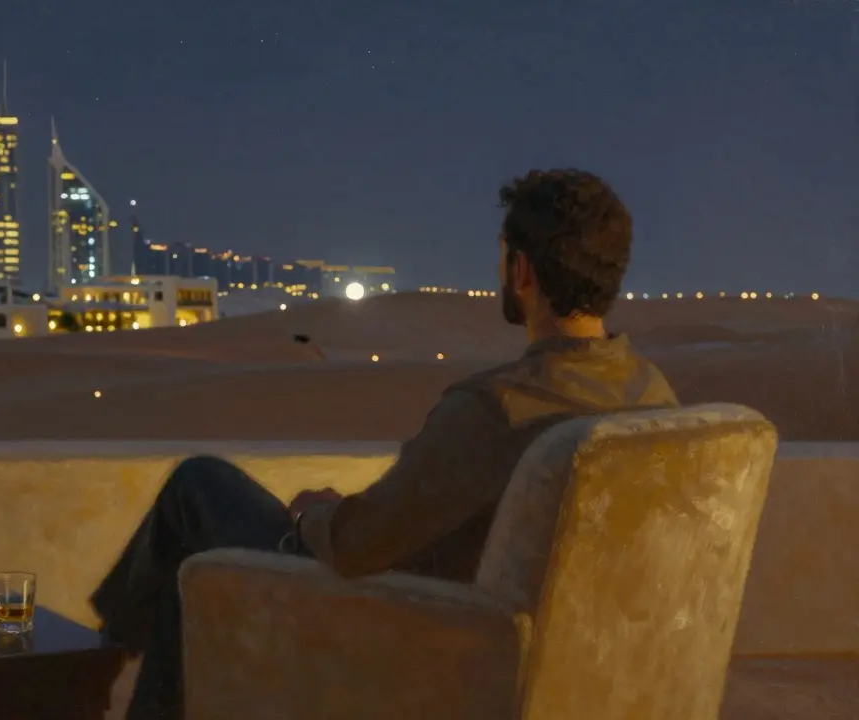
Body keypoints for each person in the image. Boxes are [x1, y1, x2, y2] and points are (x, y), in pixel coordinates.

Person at [91, 168, 680, 718]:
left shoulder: (497, 408)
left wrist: (313, 517)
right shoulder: (654, 400)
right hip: (559, 653)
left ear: (521, 272)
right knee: (186, 571)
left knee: (197, 486)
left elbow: (357, 546)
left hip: (410, 626)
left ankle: (97, 669)